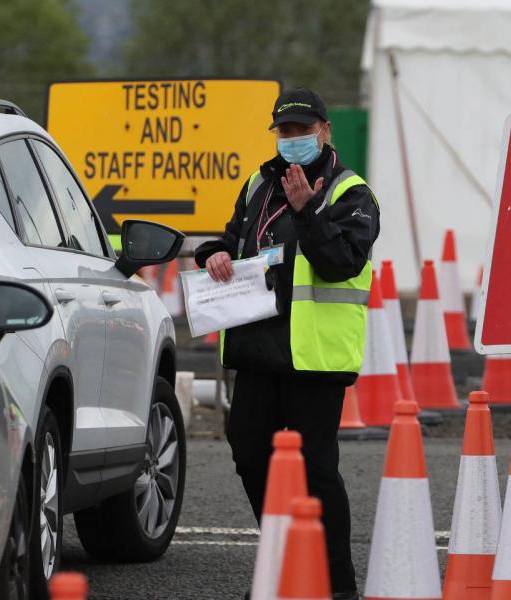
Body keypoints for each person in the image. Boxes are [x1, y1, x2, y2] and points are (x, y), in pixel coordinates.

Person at [195, 88, 380, 600]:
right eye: (284, 131)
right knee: (249, 452)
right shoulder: (259, 181)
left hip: (314, 356)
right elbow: (234, 238)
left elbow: (342, 261)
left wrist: (307, 212)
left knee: (318, 470)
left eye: (302, 130)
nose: (292, 140)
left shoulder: (350, 192)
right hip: (258, 346)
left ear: (324, 130)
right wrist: (213, 253)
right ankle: (287, 555)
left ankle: (336, 586)